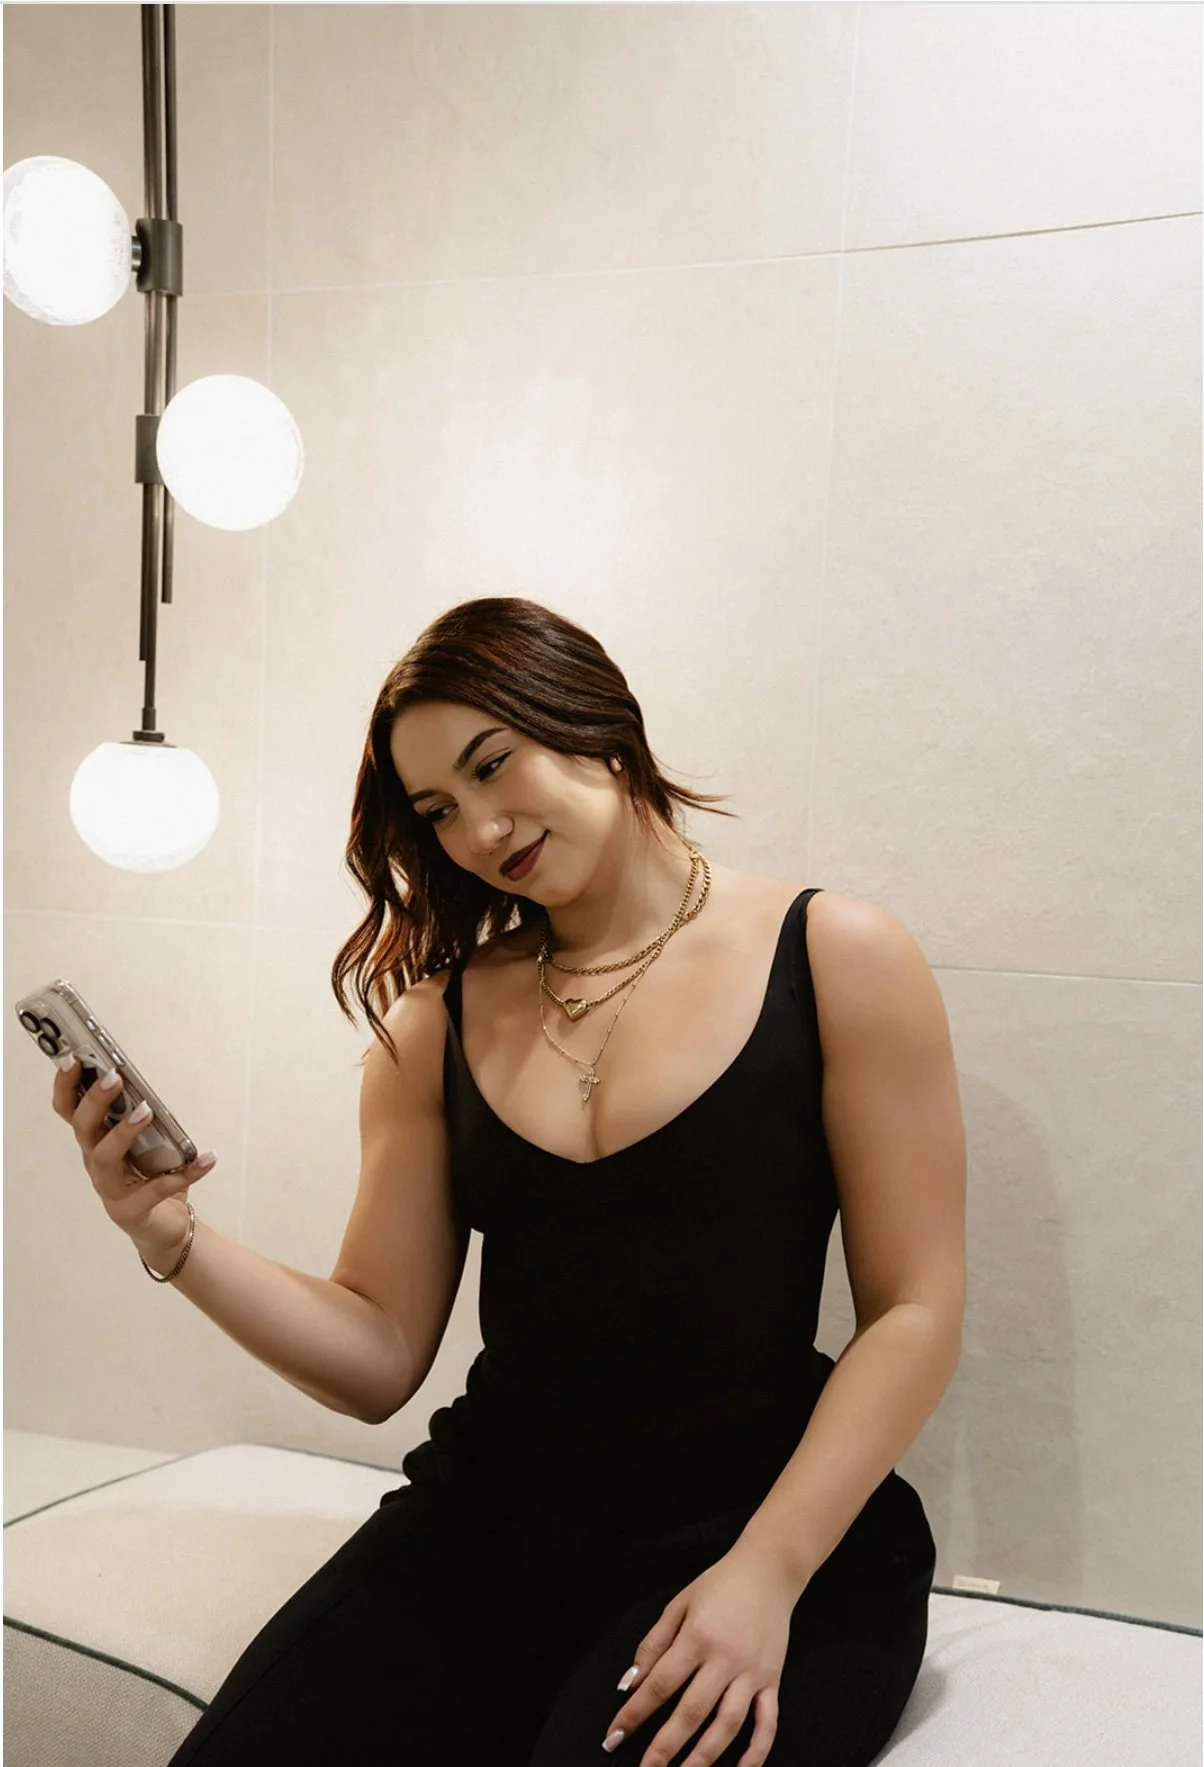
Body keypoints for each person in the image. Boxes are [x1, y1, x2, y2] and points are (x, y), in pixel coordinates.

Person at [53, 597, 955, 1766]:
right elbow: (377, 1352)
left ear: (593, 720)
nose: (481, 828)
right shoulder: (435, 1022)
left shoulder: (837, 955)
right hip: (489, 1524)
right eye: (439, 810)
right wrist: (168, 1235)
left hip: (769, 1531)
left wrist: (764, 1577)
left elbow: (915, 1309)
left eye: (494, 765)